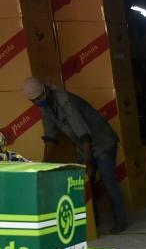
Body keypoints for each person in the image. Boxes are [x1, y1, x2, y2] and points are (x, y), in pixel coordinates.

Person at [22, 77, 127, 232]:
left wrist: (88, 161)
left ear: (46, 90)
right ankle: (93, 223)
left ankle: (121, 221)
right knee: (83, 184)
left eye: (40, 97)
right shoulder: (45, 108)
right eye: (35, 101)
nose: (39, 101)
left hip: (102, 141)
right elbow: (50, 136)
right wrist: (43, 163)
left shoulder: (64, 100)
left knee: (108, 180)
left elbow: (84, 134)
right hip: (83, 146)